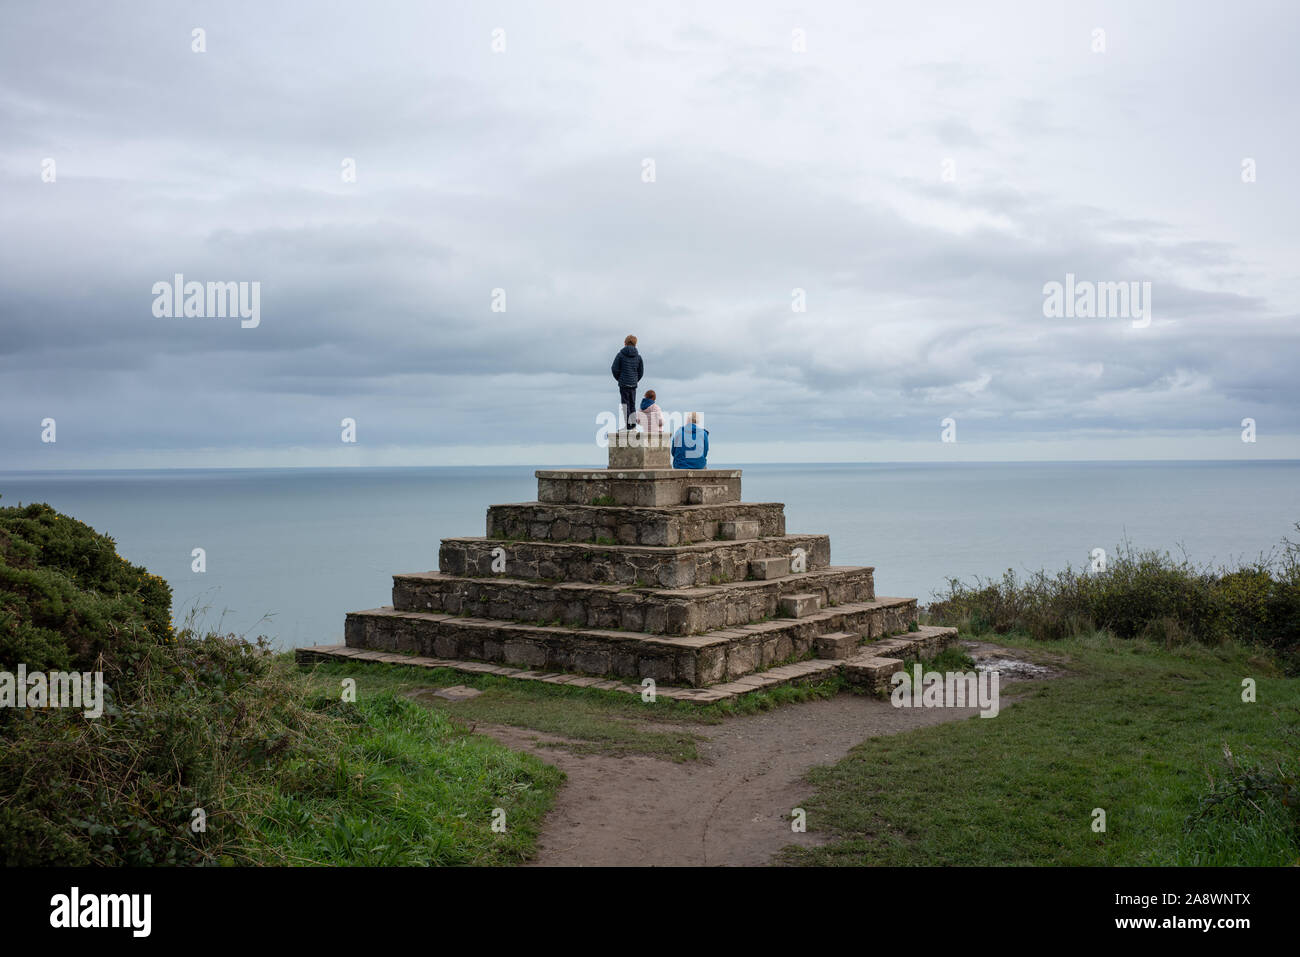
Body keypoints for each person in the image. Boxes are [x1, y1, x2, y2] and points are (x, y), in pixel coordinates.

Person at [610, 334, 644, 430]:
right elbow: (641, 372)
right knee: (632, 404)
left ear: (625, 343)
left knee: (625, 405)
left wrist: (620, 378)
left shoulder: (620, 355)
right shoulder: (638, 357)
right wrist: (635, 379)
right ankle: (632, 426)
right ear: (635, 344)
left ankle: (627, 426)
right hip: (633, 384)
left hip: (624, 383)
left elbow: (614, 369)